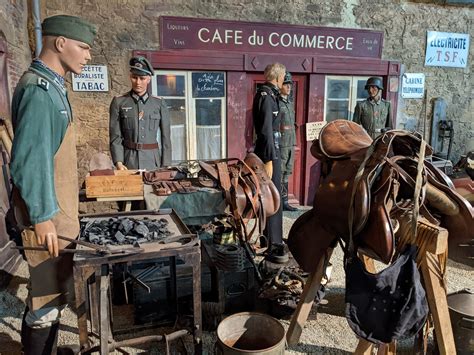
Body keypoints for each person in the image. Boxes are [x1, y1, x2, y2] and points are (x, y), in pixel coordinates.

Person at [9, 15, 96, 353]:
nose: (88, 55)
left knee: (54, 296)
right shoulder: (39, 91)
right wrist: (43, 216)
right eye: (83, 47)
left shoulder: (54, 87)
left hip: (58, 217)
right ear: (60, 44)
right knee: (44, 304)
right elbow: (30, 160)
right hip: (47, 221)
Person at [252, 62, 288, 264]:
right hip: (269, 153)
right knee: (272, 198)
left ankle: (272, 239)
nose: (283, 80)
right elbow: (265, 130)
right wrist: (268, 159)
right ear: (278, 77)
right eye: (283, 77)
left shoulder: (269, 94)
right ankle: (273, 243)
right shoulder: (266, 96)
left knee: (273, 198)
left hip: (273, 150)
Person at [109, 56, 171, 171]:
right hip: (128, 162)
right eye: (134, 77)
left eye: (142, 78)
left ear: (149, 79)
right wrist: (119, 162)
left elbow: (166, 136)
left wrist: (165, 164)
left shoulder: (159, 103)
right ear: (130, 77)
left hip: (153, 162)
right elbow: (115, 136)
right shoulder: (119, 102)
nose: (138, 82)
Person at [278, 72, 299, 212]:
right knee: (280, 172)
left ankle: (284, 201)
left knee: (287, 173)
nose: (289, 87)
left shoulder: (290, 103)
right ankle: (278, 201)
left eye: (290, 84)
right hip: (281, 143)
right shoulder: (276, 103)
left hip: (291, 143)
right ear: (280, 86)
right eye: (286, 84)